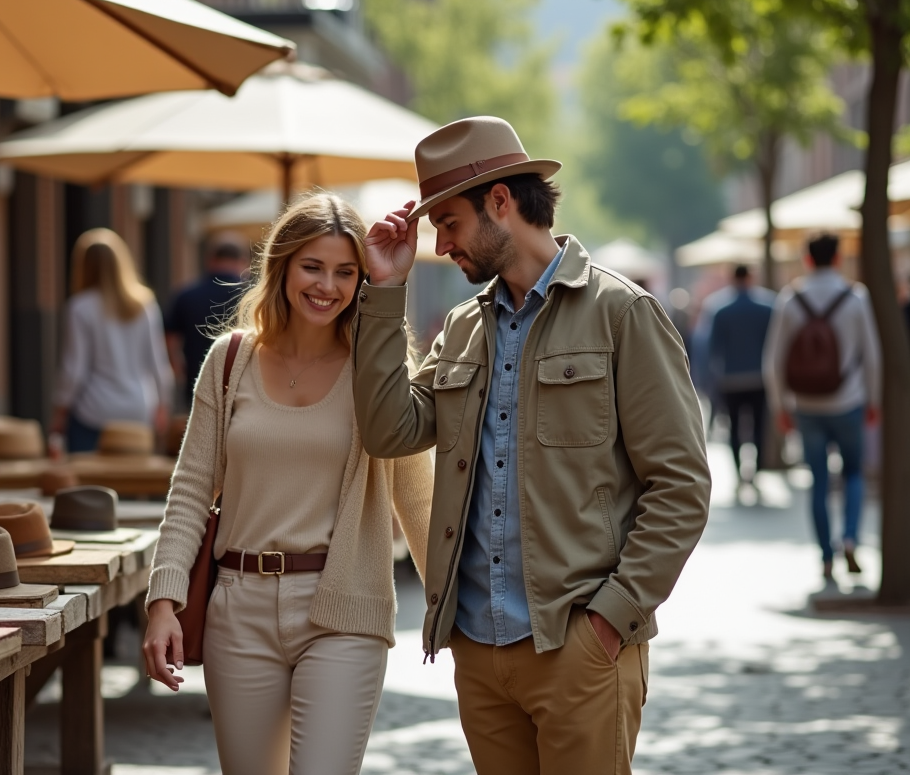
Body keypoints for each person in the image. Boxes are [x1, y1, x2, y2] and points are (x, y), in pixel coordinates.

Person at [355, 116, 711, 775]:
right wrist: (383, 291)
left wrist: (611, 618)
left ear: (500, 202)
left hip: (578, 646)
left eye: (450, 223)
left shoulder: (621, 313)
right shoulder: (462, 329)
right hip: (478, 654)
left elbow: (682, 486)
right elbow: (389, 430)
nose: (441, 244)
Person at [142, 194, 433, 775]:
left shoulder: (373, 370)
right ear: (282, 266)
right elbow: (192, 489)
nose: (328, 285)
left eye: (346, 272)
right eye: (313, 266)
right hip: (237, 610)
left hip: (343, 607)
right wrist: (162, 601)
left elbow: (417, 497)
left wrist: (456, 605)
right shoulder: (230, 361)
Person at [762, 232, 881, 581]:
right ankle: (851, 538)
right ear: (839, 258)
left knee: (817, 481)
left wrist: (780, 405)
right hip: (849, 401)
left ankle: (825, 557)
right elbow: (871, 355)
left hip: (806, 405)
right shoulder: (856, 297)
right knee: (854, 474)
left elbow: (774, 359)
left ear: (808, 259)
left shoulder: (791, 299)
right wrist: (873, 399)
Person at [51, 228, 173, 453]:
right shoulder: (144, 304)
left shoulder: (80, 307)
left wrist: (59, 411)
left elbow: (74, 369)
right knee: (131, 482)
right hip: (138, 409)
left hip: (93, 411)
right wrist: (163, 406)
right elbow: (158, 363)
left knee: (89, 481)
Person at [708, 264, 775, 494]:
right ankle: (754, 472)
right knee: (758, 426)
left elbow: (713, 349)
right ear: (751, 277)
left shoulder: (720, 309)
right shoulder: (767, 307)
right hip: (759, 376)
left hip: (731, 378)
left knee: (734, 427)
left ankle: (738, 473)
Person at [165, 232, 250, 408]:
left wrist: (178, 371)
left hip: (197, 382)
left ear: (210, 260)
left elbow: (169, 341)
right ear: (242, 262)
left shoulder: (185, 295)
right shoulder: (253, 297)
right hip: (245, 386)